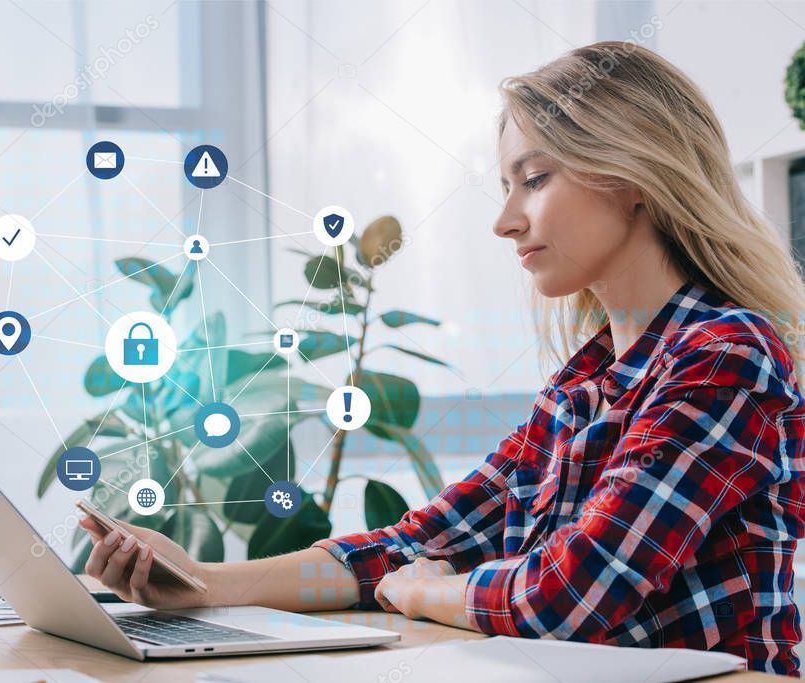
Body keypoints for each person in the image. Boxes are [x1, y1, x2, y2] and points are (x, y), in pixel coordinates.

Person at [80, 41, 805, 676]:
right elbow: (411, 542)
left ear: (630, 173)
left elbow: (568, 596)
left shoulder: (726, 358)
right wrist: (205, 582)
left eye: (535, 178)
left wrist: (429, 590)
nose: (504, 219)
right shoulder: (579, 386)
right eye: (504, 186)